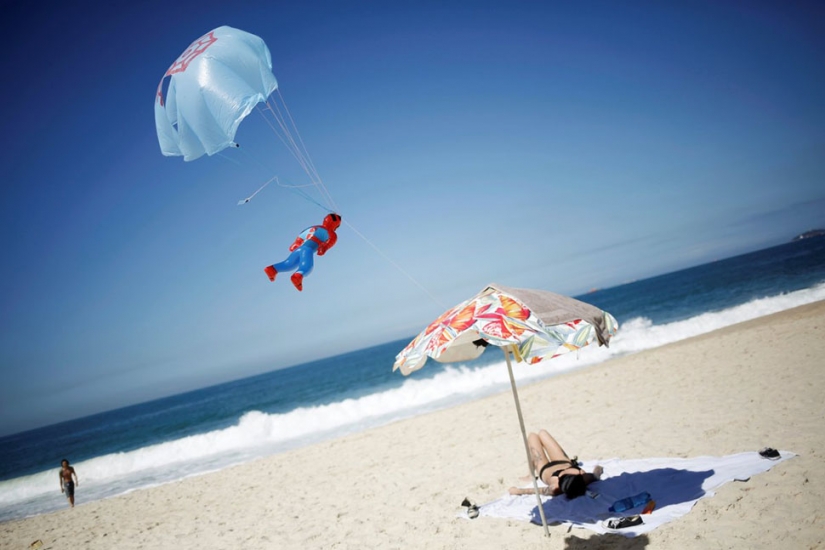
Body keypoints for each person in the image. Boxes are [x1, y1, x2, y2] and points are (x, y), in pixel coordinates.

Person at [508, 429, 602, 499]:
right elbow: (596, 474)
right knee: (542, 433)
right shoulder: (583, 477)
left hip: (545, 468)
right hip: (563, 460)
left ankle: (530, 474)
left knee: (532, 436)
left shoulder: (555, 487)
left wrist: (518, 491)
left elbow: (536, 490)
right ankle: (530, 473)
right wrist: (598, 468)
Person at [264, 213, 341, 291]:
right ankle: (298, 276)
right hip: (308, 249)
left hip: (300, 248)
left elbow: (300, 236)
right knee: (307, 266)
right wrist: (323, 248)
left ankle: (272, 269)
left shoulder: (313, 227)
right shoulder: (331, 233)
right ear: (336, 225)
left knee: (289, 264)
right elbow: (330, 242)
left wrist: (296, 243)